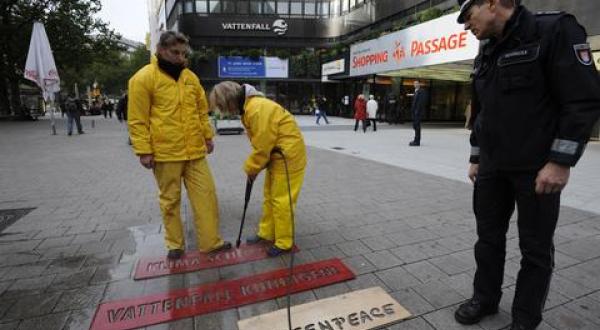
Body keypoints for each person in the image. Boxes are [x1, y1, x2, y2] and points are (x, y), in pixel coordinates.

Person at [454, 1, 600, 330]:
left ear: (491, 3)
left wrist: (560, 162)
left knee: (534, 250)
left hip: (537, 170)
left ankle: (524, 319)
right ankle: (485, 299)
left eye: (468, 15)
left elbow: (582, 100)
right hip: (492, 168)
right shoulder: (486, 49)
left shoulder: (553, 31)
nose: (466, 25)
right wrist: (476, 156)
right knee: (487, 239)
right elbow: (482, 111)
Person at [128, 31, 231, 260]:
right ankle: (175, 244)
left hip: (195, 151)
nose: (181, 58)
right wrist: (144, 151)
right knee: (170, 201)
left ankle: (210, 242)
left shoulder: (190, 78)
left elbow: (201, 111)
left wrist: (208, 136)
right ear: (161, 50)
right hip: (165, 153)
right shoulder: (143, 78)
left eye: (184, 53)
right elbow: (137, 119)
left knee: (207, 195)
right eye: (175, 52)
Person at [208, 81, 307, 257]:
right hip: (277, 155)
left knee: (282, 201)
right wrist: (256, 166)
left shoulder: (256, 109)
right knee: (270, 196)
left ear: (230, 100)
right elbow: (263, 145)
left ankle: (284, 242)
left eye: (224, 107)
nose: (225, 112)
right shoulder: (249, 107)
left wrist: (252, 168)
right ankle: (267, 232)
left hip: (288, 157)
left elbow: (263, 145)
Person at [409, 81, 427, 146]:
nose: (415, 84)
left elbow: (421, 102)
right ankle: (415, 140)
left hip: (417, 113)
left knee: (417, 127)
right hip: (414, 113)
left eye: (416, 83)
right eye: (414, 83)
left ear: (419, 84)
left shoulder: (421, 91)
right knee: (415, 126)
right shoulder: (416, 91)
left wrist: (417, 111)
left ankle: (417, 141)